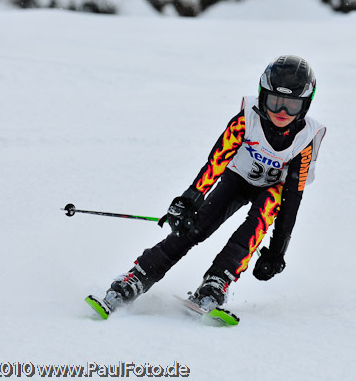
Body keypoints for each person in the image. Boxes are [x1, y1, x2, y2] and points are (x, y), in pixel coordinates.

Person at [88, 55, 326, 318]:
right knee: (195, 227)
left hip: (274, 190)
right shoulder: (248, 117)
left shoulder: (306, 138)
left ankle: (217, 281)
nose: (282, 113)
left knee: (261, 216)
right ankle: (138, 276)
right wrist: (191, 199)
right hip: (237, 178)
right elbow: (218, 159)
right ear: (262, 96)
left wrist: (277, 250)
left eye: (292, 106)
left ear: (305, 106)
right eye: (275, 102)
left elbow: (293, 197)